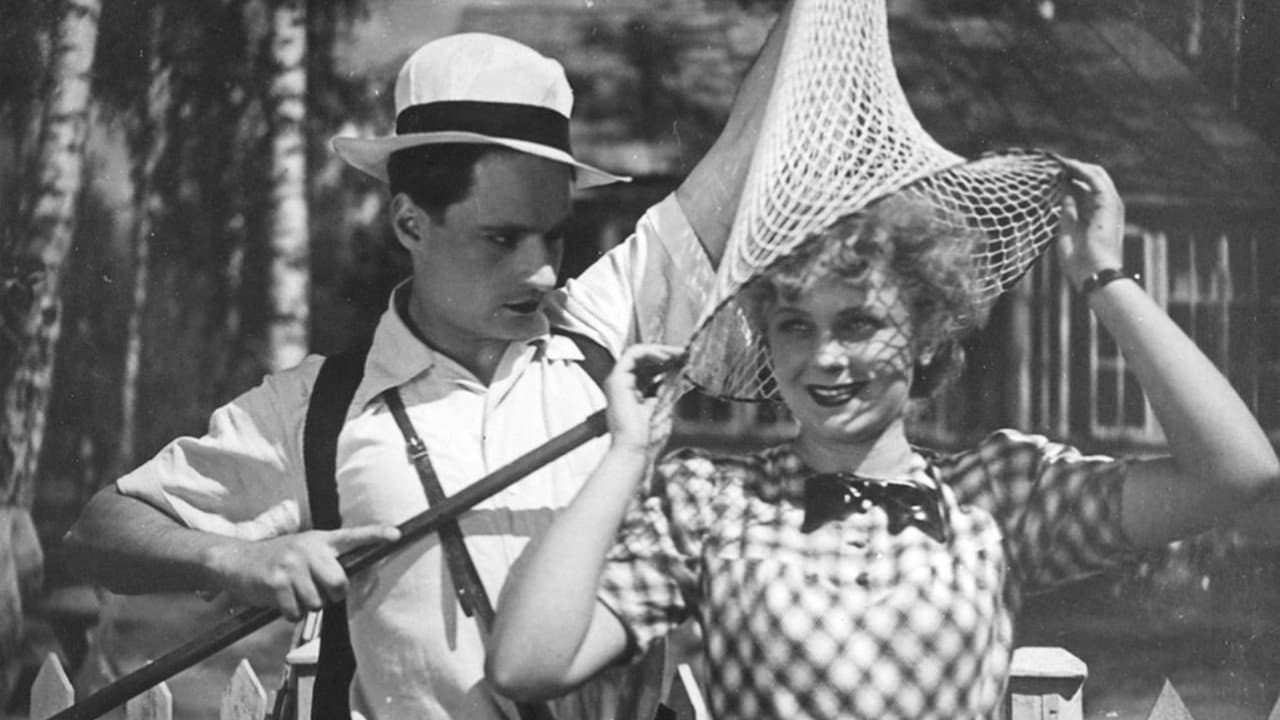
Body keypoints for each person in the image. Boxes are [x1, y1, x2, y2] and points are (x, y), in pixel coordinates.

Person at [64, 11, 795, 720]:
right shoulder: (319, 408)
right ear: (411, 222)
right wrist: (234, 560)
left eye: (554, 237)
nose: (543, 273)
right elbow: (100, 532)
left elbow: (744, 152)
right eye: (501, 239)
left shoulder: (607, 332)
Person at [485, 158, 1280, 719]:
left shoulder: (1000, 494)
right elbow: (527, 664)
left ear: (926, 334)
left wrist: (1102, 276)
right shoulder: (710, 501)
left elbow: (1236, 472)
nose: (826, 358)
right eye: (796, 327)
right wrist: (630, 452)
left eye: (860, 323)